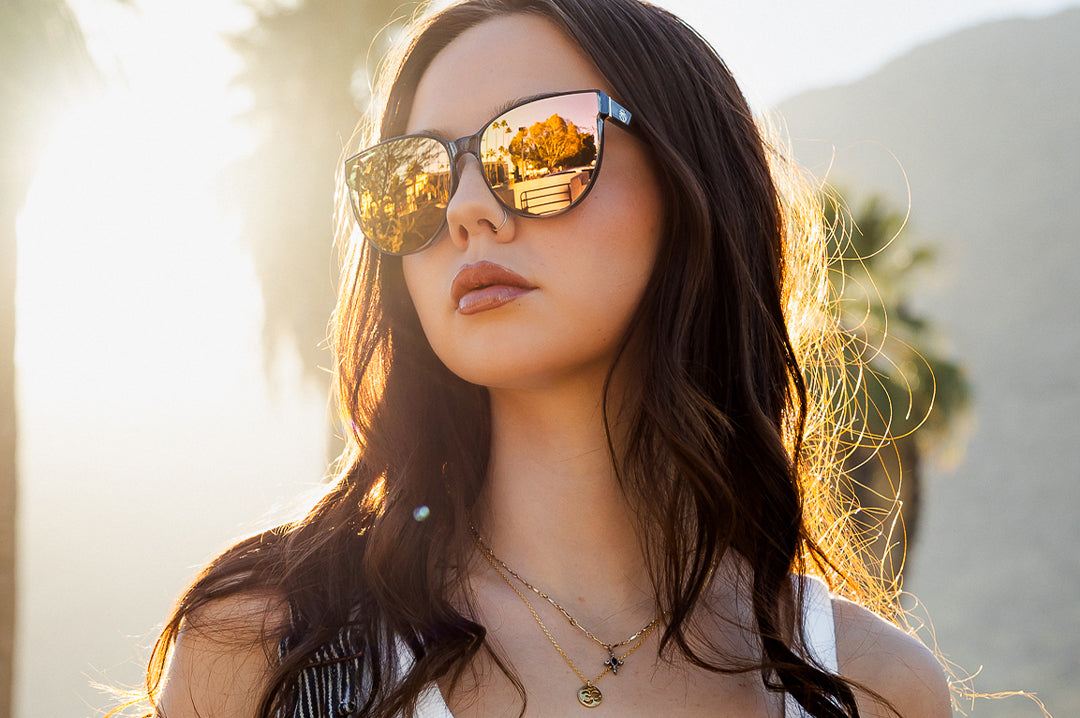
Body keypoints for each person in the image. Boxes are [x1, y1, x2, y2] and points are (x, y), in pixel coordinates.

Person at [135, 1, 953, 716]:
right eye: (415, 177)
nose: (465, 210)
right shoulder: (269, 649)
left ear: (690, 183)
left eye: (541, 147)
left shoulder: (872, 688)